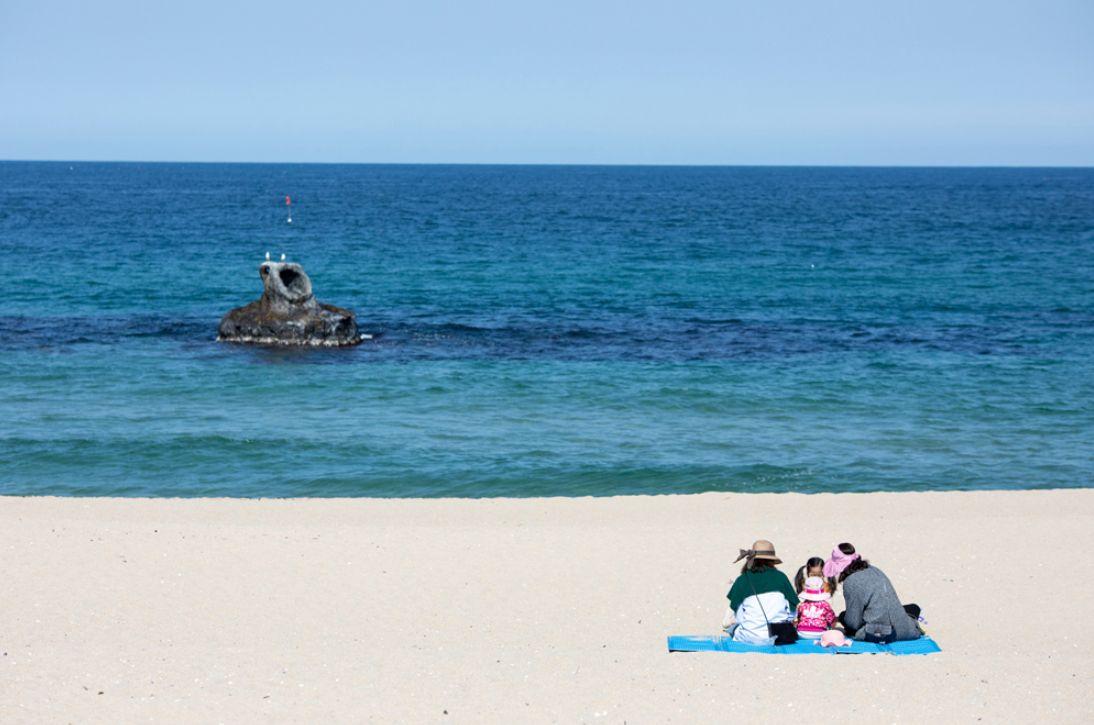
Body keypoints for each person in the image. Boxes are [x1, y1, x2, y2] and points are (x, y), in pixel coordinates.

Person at [824, 543, 922, 642]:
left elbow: (853, 623)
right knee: (912, 608)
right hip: (906, 628)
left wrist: (841, 618)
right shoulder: (874, 570)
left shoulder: (851, 581)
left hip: (881, 632)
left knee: (844, 617)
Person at [725, 539, 799, 645]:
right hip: (779, 635)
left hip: (750, 636)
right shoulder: (781, 577)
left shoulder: (743, 579)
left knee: (734, 626)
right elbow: (793, 610)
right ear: (772, 560)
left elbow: (732, 618)